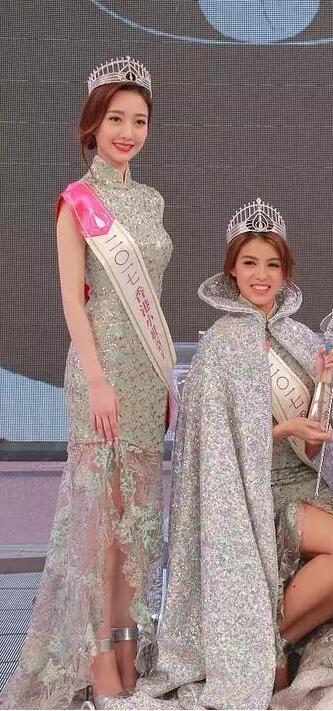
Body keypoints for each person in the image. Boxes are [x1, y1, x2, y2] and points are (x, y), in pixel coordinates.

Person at [121, 198, 333, 711]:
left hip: (300, 484)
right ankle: (263, 646)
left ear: (285, 271)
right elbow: (210, 449)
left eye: (272, 264)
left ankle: (272, 641)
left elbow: (312, 445)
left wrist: (326, 386)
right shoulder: (219, 347)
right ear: (232, 270)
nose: (261, 276)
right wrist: (280, 427)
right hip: (248, 498)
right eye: (250, 263)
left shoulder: (301, 339)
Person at [0, 57, 176, 710]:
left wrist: (163, 376)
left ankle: (129, 653)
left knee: (137, 525)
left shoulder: (151, 201)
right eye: (116, 120)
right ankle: (100, 666)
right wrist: (98, 380)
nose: (128, 132)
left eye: (139, 121)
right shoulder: (77, 202)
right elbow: (74, 303)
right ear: (93, 125)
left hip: (146, 375)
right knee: (101, 524)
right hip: (99, 375)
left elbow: (151, 296)